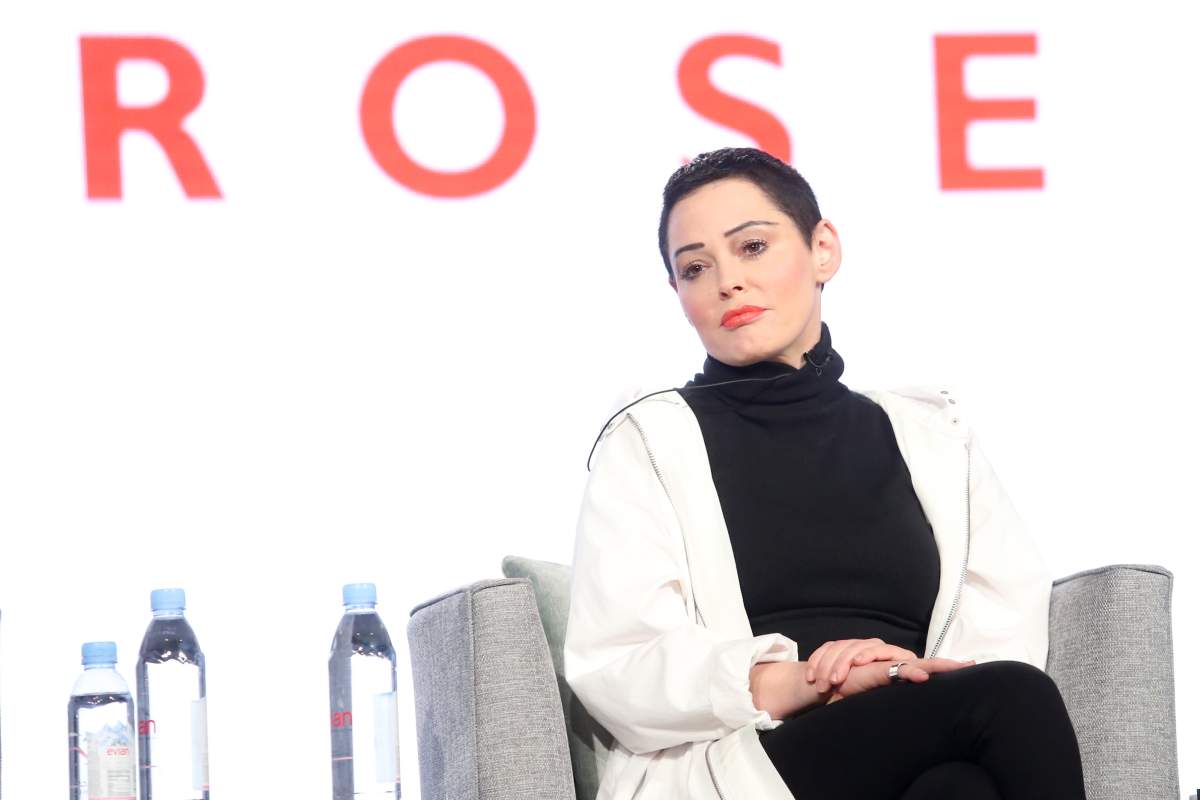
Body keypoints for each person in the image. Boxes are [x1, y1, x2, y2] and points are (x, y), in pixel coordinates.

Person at [562, 148, 1087, 800]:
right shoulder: (646, 441)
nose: (727, 281)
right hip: (749, 756)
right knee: (1012, 698)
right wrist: (816, 680)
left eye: (751, 247)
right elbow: (621, 664)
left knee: (959, 789)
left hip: (919, 731)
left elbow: (1005, 611)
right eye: (695, 267)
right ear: (679, 294)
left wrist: (899, 675)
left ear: (823, 251)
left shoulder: (934, 435)